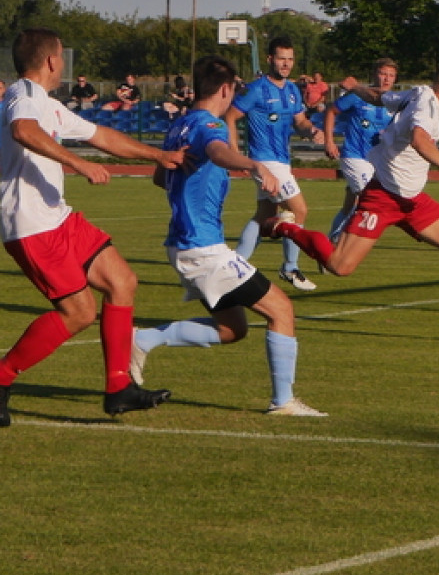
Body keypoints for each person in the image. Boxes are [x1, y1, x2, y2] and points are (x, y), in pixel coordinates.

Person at [264, 57, 439, 344]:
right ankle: (286, 227)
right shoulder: (427, 105)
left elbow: (379, 97)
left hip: (412, 199)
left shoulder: (418, 93)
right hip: (384, 196)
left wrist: (356, 87)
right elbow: (420, 140)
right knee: (340, 266)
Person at [0, 28, 186, 428]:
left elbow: (100, 135)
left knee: (122, 280)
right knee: (79, 312)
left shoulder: (46, 104)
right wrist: (79, 163)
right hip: (31, 224)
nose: (63, 65)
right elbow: (22, 131)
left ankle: (119, 388)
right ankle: (0, 378)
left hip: (57, 217)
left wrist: (159, 155)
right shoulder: (23, 96)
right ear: (51, 60)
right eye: (62, 58)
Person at [130, 55, 326, 417]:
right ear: (225, 88)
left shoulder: (180, 125)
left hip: (186, 243)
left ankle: (142, 340)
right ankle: (283, 402)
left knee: (232, 329)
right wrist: (252, 164)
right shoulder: (209, 125)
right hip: (202, 248)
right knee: (282, 309)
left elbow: (162, 177)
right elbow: (219, 152)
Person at [227, 35, 325, 292]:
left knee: (264, 215)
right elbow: (230, 117)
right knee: (299, 210)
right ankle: (290, 267)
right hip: (265, 161)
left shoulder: (293, 90)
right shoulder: (256, 89)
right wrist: (236, 154)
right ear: (270, 59)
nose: (286, 64)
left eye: (290, 59)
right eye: (281, 58)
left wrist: (312, 130)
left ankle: (233, 267)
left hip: (281, 160)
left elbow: (300, 121)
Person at [323, 57, 399, 242]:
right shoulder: (358, 96)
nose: (386, 79)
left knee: (349, 206)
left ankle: (326, 244)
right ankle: (334, 241)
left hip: (376, 161)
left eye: (391, 75)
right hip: (355, 155)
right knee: (368, 199)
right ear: (374, 75)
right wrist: (329, 141)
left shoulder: (395, 102)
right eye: (383, 74)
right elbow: (331, 111)